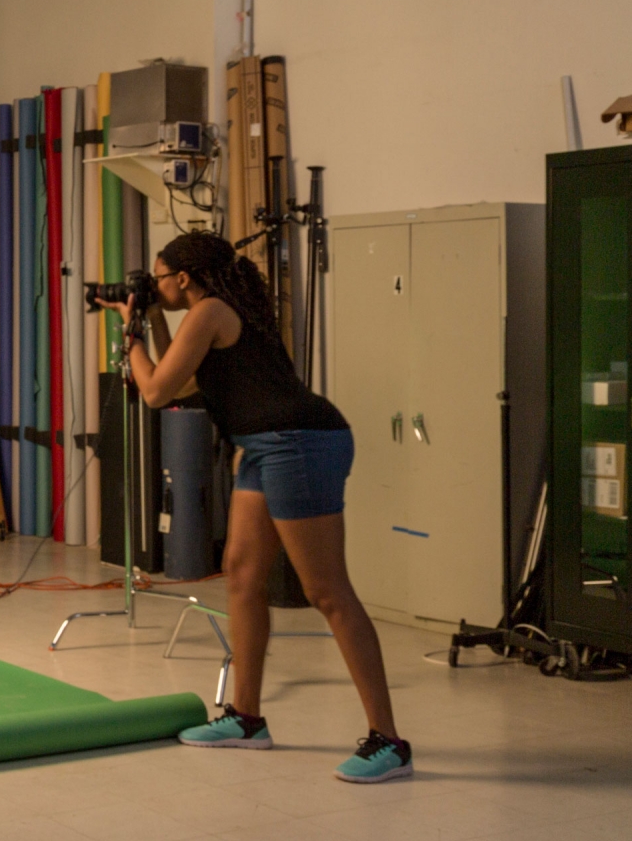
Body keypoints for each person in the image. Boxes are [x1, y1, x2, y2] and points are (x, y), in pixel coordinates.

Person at [99, 230, 410, 784]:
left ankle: (389, 740)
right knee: (242, 576)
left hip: (298, 442)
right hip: (265, 446)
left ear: (185, 279)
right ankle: (246, 719)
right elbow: (182, 375)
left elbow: (155, 391)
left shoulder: (211, 310)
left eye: (160, 277)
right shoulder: (214, 312)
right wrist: (147, 319)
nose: (156, 286)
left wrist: (130, 331)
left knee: (326, 591)